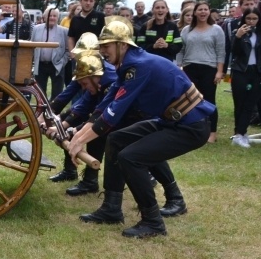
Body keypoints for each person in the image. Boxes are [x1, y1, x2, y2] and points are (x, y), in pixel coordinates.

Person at [68, 19, 215, 238]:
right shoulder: (129, 66)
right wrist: (78, 136)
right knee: (117, 139)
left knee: (131, 157)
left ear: (122, 45)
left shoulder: (139, 66)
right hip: (172, 122)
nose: (102, 52)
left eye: (106, 47)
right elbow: (105, 104)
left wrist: (79, 141)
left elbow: (112, 115)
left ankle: (153, 222)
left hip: (190, 127)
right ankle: (111, 208)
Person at [45, 37, 116, 196]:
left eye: (82, 55)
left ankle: (92, 182)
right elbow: (74, 99)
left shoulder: (109, 77)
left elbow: (100, 112)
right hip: (100, 110)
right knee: (70, 122)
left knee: (97, 136)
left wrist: (73, 130)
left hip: (124, 116)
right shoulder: (89, 72)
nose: (78, 59)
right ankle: (73, 172)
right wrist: (60, 124)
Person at [179, 0, 225, 143]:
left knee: (209, 101)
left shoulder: (216, 30)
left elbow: (220, 52)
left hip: (209, 69)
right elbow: (181, 50)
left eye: (205, 9)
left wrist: (219, 71)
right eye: (200, 10)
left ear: (209, 12)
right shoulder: (186, 30)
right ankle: (191, 130)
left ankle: (212, 133)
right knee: (190, 101)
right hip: (189, 68)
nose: (203, 12)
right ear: (195, 12)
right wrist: (180, 67)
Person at [229, 7, 261, 147]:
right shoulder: (238, 32)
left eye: (254, 19)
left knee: (250, 103)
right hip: (240, 70)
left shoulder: (259, 34)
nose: (251, 21)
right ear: (244, 19)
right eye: (248, 18)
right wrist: (238, 37)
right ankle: (239, 134)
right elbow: (233, 51)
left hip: (256, 71)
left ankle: (242, 133)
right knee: (240, 103)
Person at [31, 6, 68, 99]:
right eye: (49, 15)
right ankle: (42, 112)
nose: (52, 18)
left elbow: (68, 50)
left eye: (54, 16)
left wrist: (63, 62)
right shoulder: (36, 29)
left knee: (57, 92)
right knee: (40, 92)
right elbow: (31, 46)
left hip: (57, 65)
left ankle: (54, 111)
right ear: (44, 17)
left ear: (58, 18)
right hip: (40, 65)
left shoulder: (64, 31)